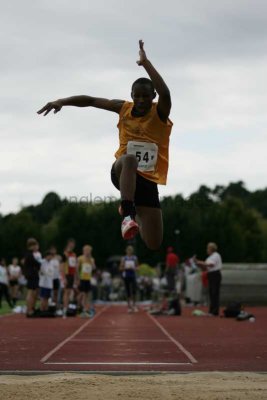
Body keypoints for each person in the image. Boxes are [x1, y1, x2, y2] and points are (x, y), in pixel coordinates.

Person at [37, 40, 173, 249]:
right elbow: (90, 100)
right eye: (137, 96)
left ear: (152, 97)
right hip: (122, 171)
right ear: (131, 96)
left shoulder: (160, 113)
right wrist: (62, 101)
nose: (142, 100)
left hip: (148, 180)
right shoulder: (123, 108)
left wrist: (146, 63)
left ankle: (134, 212)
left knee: (154, 244)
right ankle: (127, 213)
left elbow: (166, 94)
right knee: (129, 158)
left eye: (146, 96)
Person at [195, 242, 223, 316]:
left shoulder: (216, 255)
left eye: (208, 248)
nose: (207, 250)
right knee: (211, 293)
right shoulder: (209, 258)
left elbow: (211, 264)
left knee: (214, 293)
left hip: (215, 274)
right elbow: (205, 268)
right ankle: (212, 310)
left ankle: (214, 311)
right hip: (211, 275)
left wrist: (201, 262)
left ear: (211, 249)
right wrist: (199, 264)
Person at [23, 238, 41, 317]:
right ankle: (29, 310)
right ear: (32, 246)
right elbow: (36, 264)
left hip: (32, 275)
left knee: (33, 292)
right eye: (34, 245)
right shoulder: (29, 254)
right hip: (31, 275)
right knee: (30, 293)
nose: (35, 247)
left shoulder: (29, 254)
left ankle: (31, 308)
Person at [61, 238, 78, 318]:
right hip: (66, 274)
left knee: (69, 292)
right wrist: (63, 277)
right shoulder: (65, 254)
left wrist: (76, 278)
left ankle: (67, 308)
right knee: (66, 292)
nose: (72, 245)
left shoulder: (74, 255)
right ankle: (64, 309)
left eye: (73, 244)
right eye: (71, 244)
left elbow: (75, 267)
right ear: (68, 244)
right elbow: (62, 266)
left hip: (72, 275)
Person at [77, 245, 95, 317]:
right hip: (82, 278)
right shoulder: (80, 258)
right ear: (84, 251)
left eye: (89, 251)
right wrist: (77, 278)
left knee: (86, 294)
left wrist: (90, 259)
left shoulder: (92, 259)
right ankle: (83, 308)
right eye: (86, 250)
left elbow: (94, 268)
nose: (88, 252)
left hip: (88, 279)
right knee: (83, 294)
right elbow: (77, 269)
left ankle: (83, 308)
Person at [120, 245, 138, 313]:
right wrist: (126, 267)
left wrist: (134, 268)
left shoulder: (135, 258)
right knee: (128, 292)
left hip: (133, 275)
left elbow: (137, 267)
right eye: (128, 250)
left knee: (134, 291)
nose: (129, 251)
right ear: (126, 251)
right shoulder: (124, 258)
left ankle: (134, 305)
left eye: (131, 250)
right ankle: (129, 306)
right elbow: (120, 268)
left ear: (132, 251)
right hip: (126, 276)